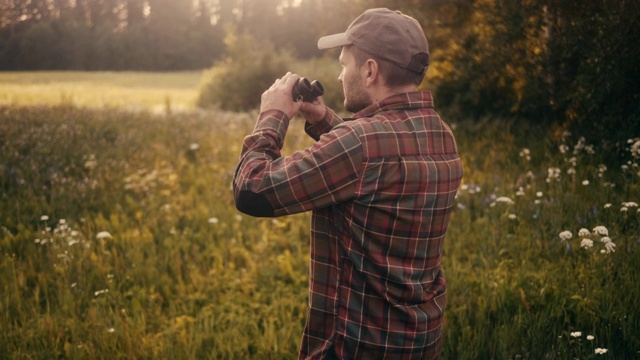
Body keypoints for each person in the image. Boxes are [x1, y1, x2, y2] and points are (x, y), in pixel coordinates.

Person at [233, 8, 463, 360]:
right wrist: (325, 119)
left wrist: (272, 115)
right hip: (419, 342)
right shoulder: (440, 134)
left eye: (345, 65)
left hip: (355, 346)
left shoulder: (360, 143)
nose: (340, 77)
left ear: (370, 71)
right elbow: (377, 166)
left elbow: (252, 191)